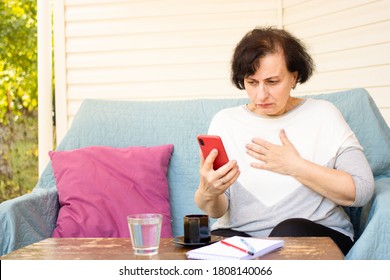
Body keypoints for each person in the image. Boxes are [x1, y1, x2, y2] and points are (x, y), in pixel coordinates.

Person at [194, 27, 374, 255]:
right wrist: (208, 192)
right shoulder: (225, 121)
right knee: (219, 244)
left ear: (294, 77)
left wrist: (295, 167)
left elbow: (362, 190)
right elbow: (217, 211)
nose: (261, 95)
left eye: (272, 81)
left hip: (314, 232)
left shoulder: (324, 115)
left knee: (289, 230)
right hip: (244, 238)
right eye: (252, 82)